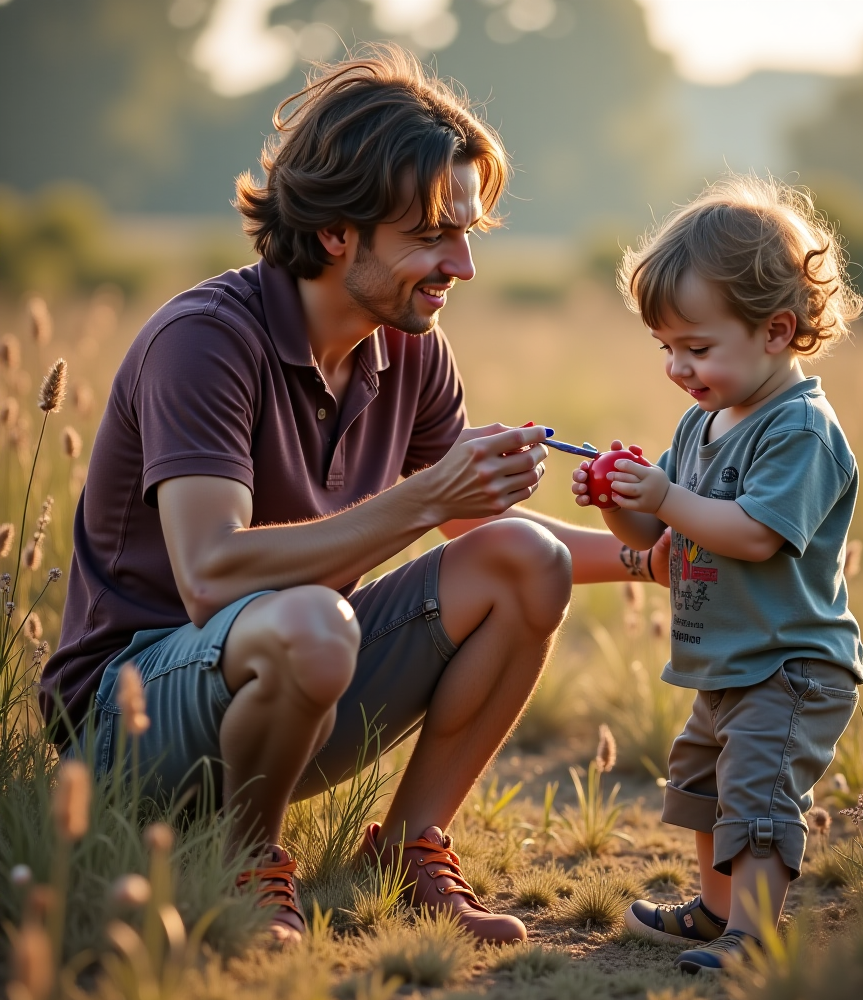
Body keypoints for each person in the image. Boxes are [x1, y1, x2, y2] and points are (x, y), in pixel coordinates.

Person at [41, 45, 669, 947]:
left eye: (468, 234)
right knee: (309, 622)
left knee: (523, 562)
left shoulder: (410, 346)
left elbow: (477, 528)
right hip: (128, 721)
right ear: (339, 232)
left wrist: (659, 561)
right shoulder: (205, 342)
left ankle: (409, 849)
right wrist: (421, 500)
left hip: (298, 688)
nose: (462, 265)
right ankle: (244, 859)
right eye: (431, 235)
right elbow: (211, 577)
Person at [571, 175, 863, 973]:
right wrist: (617, 497)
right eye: (666, 348)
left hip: (789, 663)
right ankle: (715, 910)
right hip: (725, 659)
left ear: (776, 331)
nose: (677, 367)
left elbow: (755, 536)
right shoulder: (702, 421)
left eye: (697, 349)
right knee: (707, 786)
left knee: (761, 802)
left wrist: (667, 493)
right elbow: (655, 527)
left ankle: (756, 937)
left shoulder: (800, 430)